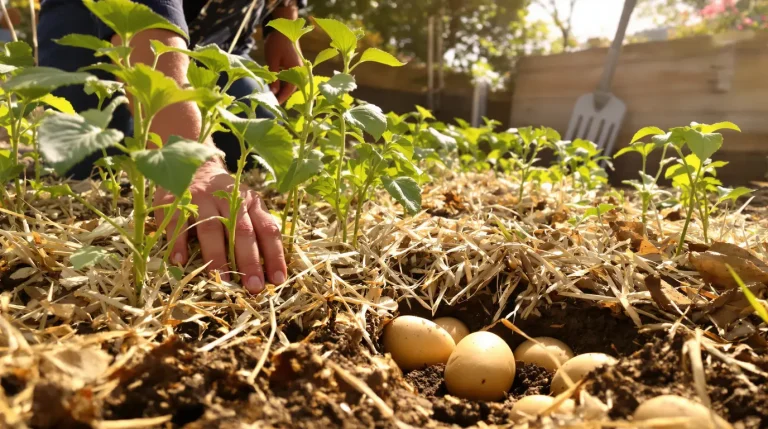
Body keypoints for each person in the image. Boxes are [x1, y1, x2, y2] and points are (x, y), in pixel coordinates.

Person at [37, 0, 306, 294]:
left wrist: (282, 25)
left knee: (256, 131)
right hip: (103, 33)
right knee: (89, 164)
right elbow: (143, 12)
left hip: (216, 47)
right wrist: (191, 157)